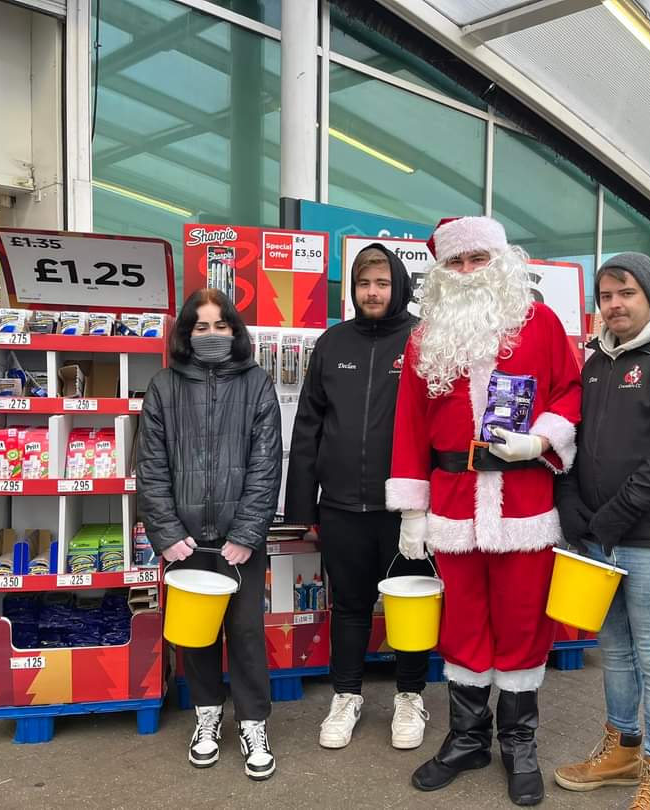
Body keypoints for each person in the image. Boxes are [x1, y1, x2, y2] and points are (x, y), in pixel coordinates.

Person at [386, 216, 581, 806]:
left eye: (478, 260)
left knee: (523, 621)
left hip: (523, 502)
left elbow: (571, 390)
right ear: (441, 273)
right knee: (464, 622)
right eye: (456, 263)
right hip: (451, 502)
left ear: (501, 262)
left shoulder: (541, 323)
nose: (468, 272)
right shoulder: (424, 338)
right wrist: (412, 511)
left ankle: (520, 742)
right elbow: (409, 426)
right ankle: (468, 738)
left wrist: (542, 440)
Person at [553, 254, 650, 810]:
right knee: (615, 651)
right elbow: (572, 438)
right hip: (599, 536)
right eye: (606, 295)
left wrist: (619, 511)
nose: (615, 304)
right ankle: (621, 750)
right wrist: (569, 499)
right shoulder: (596, 360)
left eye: (626, 293)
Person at [285, 244, 433, 751]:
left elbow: (441, 424)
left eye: (382, 283)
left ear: (399, 286)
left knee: (410, 607)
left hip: (406, 509)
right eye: (364, 284)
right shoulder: (332, 343)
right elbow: (307, 427)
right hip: (342, 507)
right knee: (348, 607)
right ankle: (346, 696)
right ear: (353, 289)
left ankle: (410, 696)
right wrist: (302, 508)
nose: (373, 292)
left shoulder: (423, 340)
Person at [136, 289, 281, 781]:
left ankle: (254, 723)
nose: (213, 335)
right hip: (186, 541)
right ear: (186, 333)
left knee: (244, 634)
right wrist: (166, 532)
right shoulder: (163, 387)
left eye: (222, 326)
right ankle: (207, 715)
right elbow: (150, 467)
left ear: (235, 331)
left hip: (241, 541)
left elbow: (266, 464)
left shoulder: (257, 384)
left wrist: (248, 531)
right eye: (202, 327)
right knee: (195, 637)